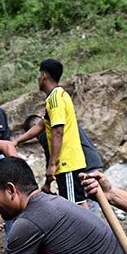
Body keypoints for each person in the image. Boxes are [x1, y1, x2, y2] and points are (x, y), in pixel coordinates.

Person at [35, 59, 87, 205]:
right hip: (71, 162)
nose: (38, 79)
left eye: (39, 75)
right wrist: (17, 141)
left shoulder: (54, 100)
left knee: (73, 208)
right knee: (80, 203)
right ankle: (91, 228)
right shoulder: (60, 95)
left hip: (66, 163)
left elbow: (58, 131)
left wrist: (52, 164)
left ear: (44, 76)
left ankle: (86, 229)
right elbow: (41, 125)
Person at [16, 113, 102, 177]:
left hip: (83, 167)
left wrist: (48, 180)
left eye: (33, 134)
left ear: (35, 126)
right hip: (93, 160)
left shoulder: (46, 131)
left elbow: (50, 154)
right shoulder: (62, 120)